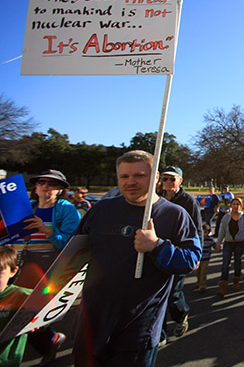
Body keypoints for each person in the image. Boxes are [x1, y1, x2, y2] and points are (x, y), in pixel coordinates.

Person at [73, 150, 201, 366]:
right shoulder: (101, 210)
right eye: (124, 176)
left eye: (139, 176)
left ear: (156, 178)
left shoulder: (175, 215)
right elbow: (74, 254)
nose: (130, 182)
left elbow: (191, 261)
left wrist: (157, 246)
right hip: (91, 323)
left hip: (138, 329)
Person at [13, 169, 79, 365]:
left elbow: (70, 244)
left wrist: (46, 230)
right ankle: (51, 341)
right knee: (16, 312)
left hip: (49, 267)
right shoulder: (26, 207)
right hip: (20, 266)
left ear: (60, 189)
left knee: (31, 315)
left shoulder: (65, 209)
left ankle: (48, 342)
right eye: (41, 182)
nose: (45, 186)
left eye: (52, 184)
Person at [157, 166, 203, 340]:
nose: (168, 182)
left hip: (179, 252)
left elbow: (197, 228)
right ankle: (159, 334)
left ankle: (180, 316)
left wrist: (196, 255)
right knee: (157, 295)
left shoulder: (188, 201)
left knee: (174, 293)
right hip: (157, 250)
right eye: (165, 178)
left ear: (180, 181)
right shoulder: (156, 199)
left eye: (172, 179)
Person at [0, 247, 32, 367]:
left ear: (13, 271)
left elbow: (45, 318)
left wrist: (35, 323)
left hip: (8, 361)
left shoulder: (24, 296)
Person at [215, 198, 244, 297]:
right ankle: (223, 285)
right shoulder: (226, 217)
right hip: (228, 242)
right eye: (234, 204)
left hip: (239, 243)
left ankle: (236, 280)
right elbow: (222, 231)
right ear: (231, 205)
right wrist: (218, 243)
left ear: (241, 206)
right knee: (225, 263)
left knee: (237, 262)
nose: (236, 206)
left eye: (238, 204)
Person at [195, 223, 215, 293]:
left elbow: (214, 245)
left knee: (203, 272)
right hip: (199, 258)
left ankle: (202, 285)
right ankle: (199, 282)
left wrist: (217, 247)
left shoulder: (209, 240)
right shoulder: (198, 239)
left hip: (206, 259)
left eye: (206, 232)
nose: (204, 234)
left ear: (208, 233)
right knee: (198, 272)